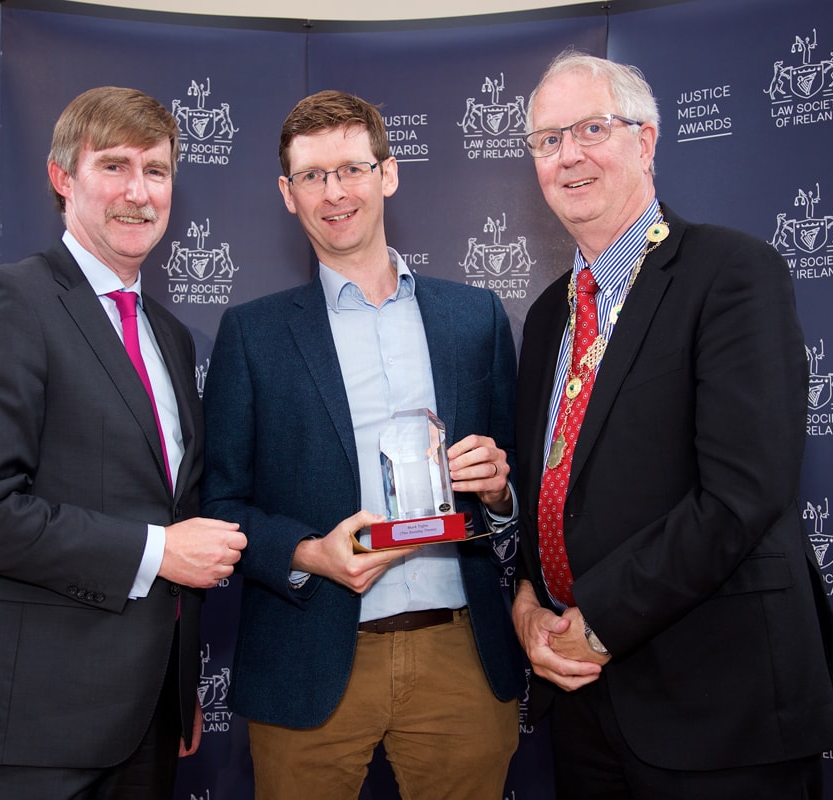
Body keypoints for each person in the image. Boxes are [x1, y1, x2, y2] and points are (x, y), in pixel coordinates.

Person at [511, 50, 833, 799]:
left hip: (720, 705)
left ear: (646, 141)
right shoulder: (548, 316)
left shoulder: (733, 273)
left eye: (591, 129)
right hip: (582, 698)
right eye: (547, 139)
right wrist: (526, 597)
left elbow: (743, 493)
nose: (568, 154)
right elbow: (555, 485)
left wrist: (598, 617)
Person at [0, 86, 247, 800]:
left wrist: (177, 683)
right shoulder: (8, 300)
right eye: (114, 166)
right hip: (33, 729)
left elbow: (162, 497)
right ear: (62, 178)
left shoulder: (167, 333)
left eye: (156, 171)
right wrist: (162, 551)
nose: (138, 192)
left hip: (147, 721)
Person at [200, 89, 522, 800]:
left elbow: (516, 489)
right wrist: (306, 553)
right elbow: (220, 504)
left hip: (460, 653)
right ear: (288, 194)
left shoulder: (475, 317)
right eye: (312, 176)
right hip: (305, 656)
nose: (334, 192)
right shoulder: (252, 335)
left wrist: (499, 492)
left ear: (388, 173)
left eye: (351, 168)